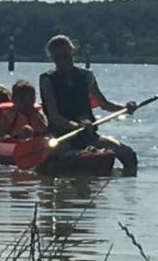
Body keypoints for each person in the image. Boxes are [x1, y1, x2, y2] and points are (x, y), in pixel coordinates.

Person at [39, 34, 139, 176]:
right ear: (53, 58)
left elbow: (104, 104)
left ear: (72, 52)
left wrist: (125, 108)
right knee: (56, 159)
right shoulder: (47, 80)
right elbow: (54, 116)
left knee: (128, 155)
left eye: (66, 56)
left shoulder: (86, 76)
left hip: (87, 134)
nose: (62, 62)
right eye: (58, 58)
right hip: (60, 134)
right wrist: (76, 126)